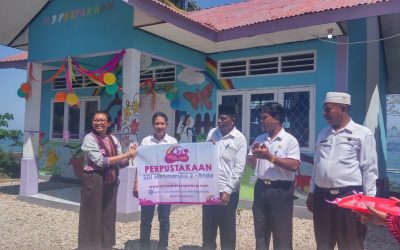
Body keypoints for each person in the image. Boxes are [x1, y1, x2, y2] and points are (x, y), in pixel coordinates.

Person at [306, 92, 379, 250]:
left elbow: (369, 169)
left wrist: (369, 202)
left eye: (328, 109)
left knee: (350, 244)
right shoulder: (324, 133)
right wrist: (312, 192)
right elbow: (317, 165)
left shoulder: (362, 133)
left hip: (350, 197)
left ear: (343, 108)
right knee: (323, 244)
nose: (324, 114)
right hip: (322, 197)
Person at [78, 110, 137, 250]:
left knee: (108, 213)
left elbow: (120, 162)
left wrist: (130, 156)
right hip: (94, 179)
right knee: (92, 214)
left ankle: (106, 245)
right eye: (95, 120)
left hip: (111, 179)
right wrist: (126, 155)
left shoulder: (113, 139)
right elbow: (100, 161)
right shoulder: (89, 138)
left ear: (109, 123)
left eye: (102, 120)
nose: (98, 123)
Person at [247, 102, 301, 250]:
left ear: (277, 118)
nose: (261, 121)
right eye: (260, 118)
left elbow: (294, 165)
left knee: (282, 235)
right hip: (261, 188)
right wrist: (254, 155)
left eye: (265, 117)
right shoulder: (259, 138)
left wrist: (269, 157)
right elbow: (250, 163)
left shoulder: (289, 140)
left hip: (281, 191)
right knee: (261, 234)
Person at [202, 104, 247, 250]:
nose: (219, 122)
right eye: (219, 119)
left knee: (227, 230)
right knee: (208, 228)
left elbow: (239, 168)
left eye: (223, 119)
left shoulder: (239, 139)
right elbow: (205, 158)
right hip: (210, 190)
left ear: (233, 120)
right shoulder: (212, 133)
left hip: (228, 192)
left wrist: (227, 190)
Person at [135, 112, 178, 250]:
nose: (160, 126)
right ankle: (144, 245)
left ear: (167, 125)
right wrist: (136, 183)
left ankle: (162, 246)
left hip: (167, 186)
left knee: (164, 218)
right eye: (157, 123)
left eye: (162, 123)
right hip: (149, 185)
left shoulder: (173, 142)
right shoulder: (146, 141)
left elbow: (177, 165)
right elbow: (140, 163)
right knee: (146, 218)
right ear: (153, 125)